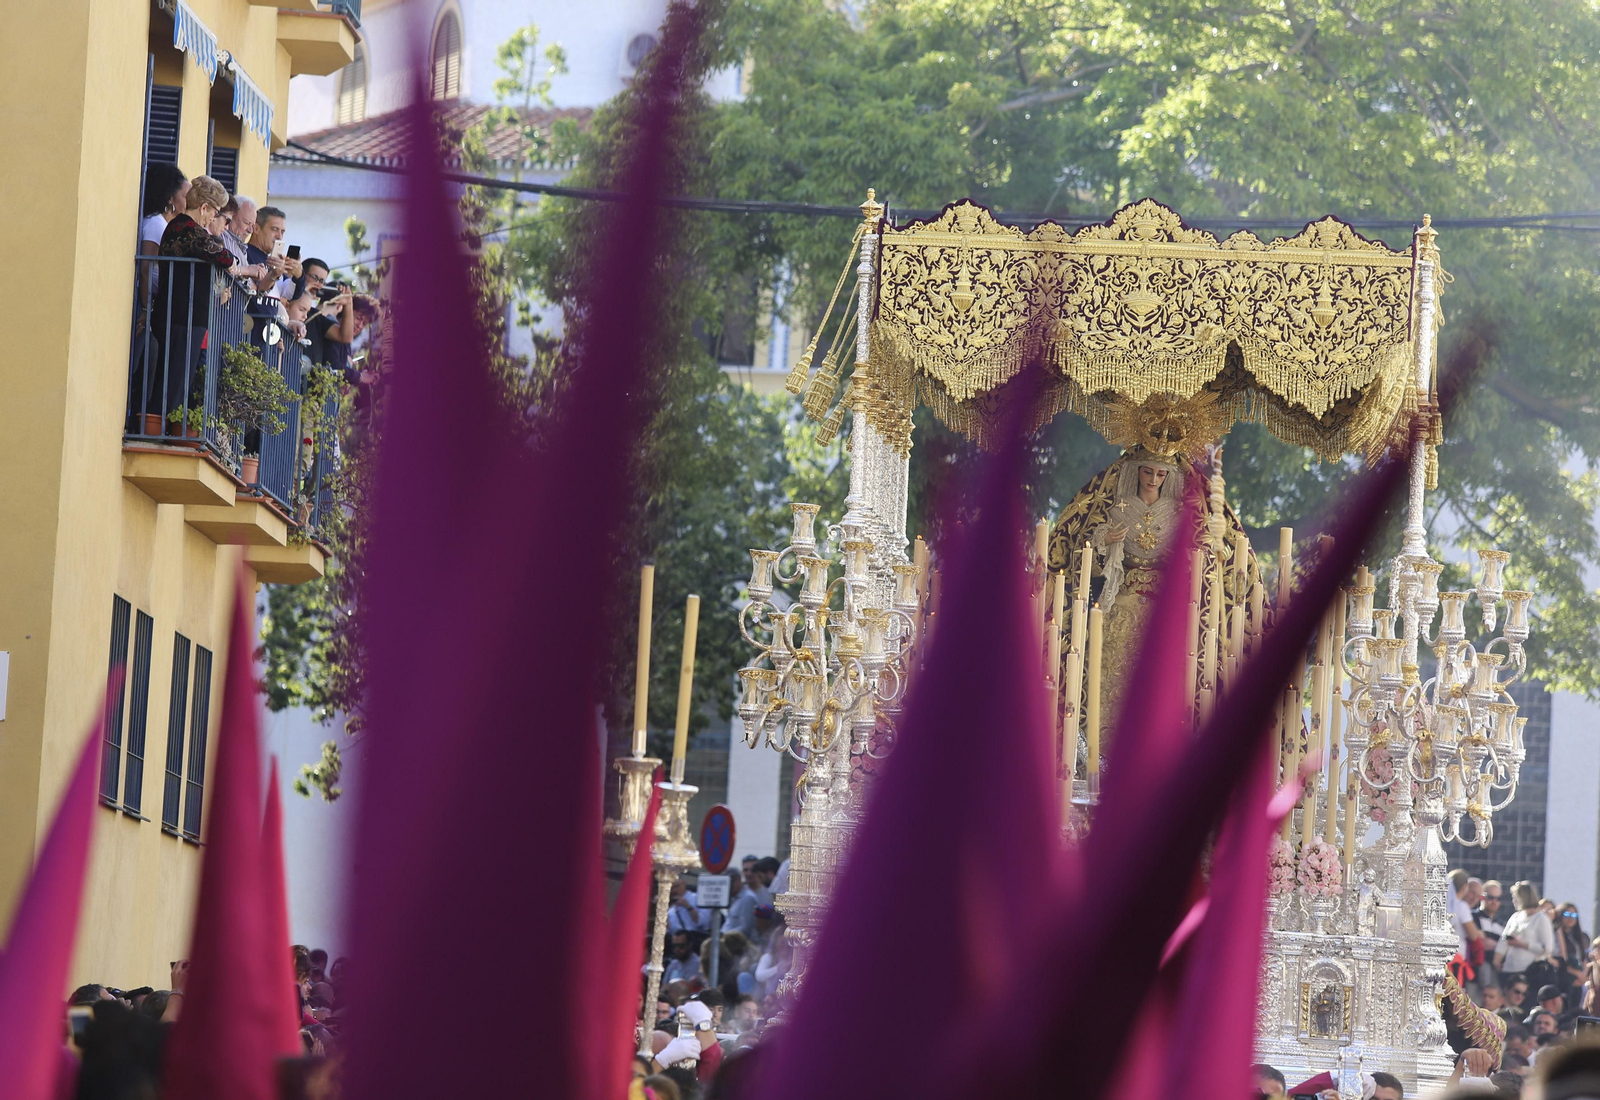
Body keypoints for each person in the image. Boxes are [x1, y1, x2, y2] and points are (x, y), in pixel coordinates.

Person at [1497, 881, 1558, 990]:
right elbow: (1503, 941)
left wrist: (1521, 944)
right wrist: (1497, 961)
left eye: (1515, 898)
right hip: (1509, 969)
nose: (1513, 901)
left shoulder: (1541, 919)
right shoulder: (1515, 917)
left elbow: (1547, 948)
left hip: (1529, 971)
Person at [246, 204, 301, 298]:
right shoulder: (244, 253)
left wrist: (298, 274)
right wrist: (274, 275)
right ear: (256, 229)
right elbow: (256, 292)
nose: (279, 236)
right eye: (274, 229)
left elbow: (291, 295)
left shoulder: (275, 262)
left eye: (282, 232)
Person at [1554, 904, 1590, 1002]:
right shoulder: (1558, 934)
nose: (1571, 918)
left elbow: (1583, 958)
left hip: (1579, 980)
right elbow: (1562, 959)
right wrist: (1578, 974)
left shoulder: (1577, 936)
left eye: (1574, 915)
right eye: (1567, 914)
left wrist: (1583, 976)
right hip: (1566, 978)